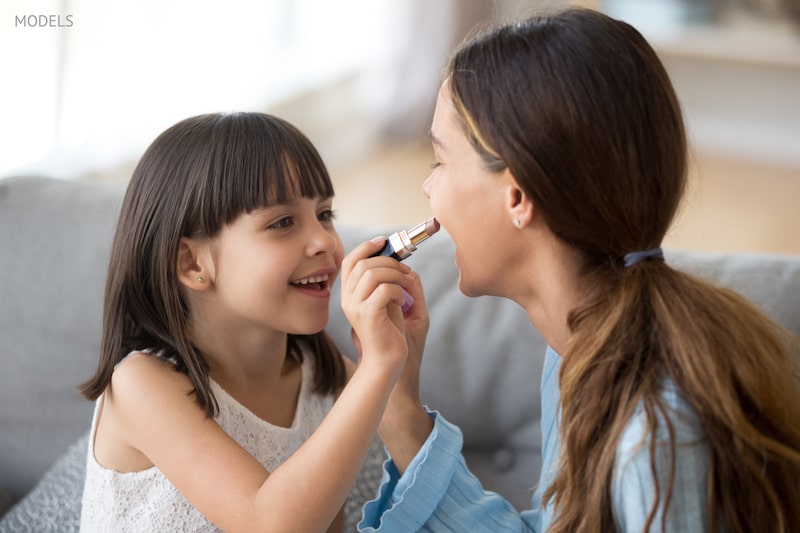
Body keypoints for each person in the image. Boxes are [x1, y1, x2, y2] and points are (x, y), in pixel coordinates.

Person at [347, 6, 800, 532]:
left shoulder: (659, 431)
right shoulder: (580, 356)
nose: (428, 188)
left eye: (440, 160)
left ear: (517, 195)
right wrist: (398, 404)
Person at [78, 112, 423, 531]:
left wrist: (400, 371)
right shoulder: (141, 384)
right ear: (192, 263)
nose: (325, 242)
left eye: (325, 214)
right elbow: (270, 524)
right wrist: (379, 365)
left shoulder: (323, 377)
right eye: (282, 223)